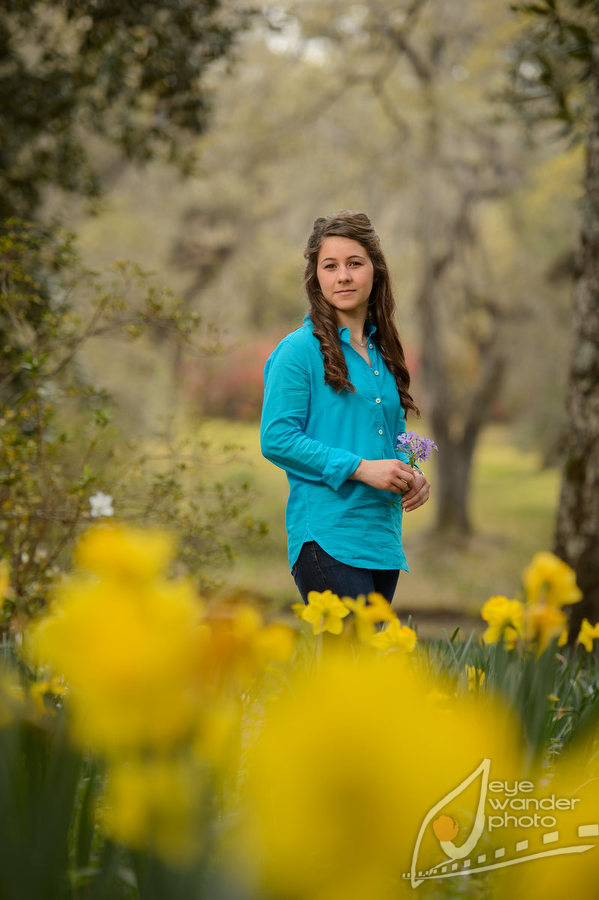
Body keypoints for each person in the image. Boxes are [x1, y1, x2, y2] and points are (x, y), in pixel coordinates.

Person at [260, 211, 430, 605]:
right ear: (316, 276)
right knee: (366, 656)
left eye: (355, 264)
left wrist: (413, 472)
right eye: (330, 266)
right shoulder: (298, 352)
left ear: (375, 271)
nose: (343, 276)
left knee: (360, 665)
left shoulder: (384, 353)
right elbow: (277, 439)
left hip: (381, 537)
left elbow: (393, 431)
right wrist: (361, 468)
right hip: (326, 535)